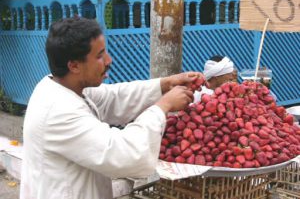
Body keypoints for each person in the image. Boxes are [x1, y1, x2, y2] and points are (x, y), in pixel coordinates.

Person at [20, 17, 204, 199]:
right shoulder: (57, 111)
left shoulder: (66, 87)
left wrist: (165, 84)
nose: (109, 60)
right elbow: (123, 154)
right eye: (99, 55)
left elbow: (113, 97)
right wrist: (164, 105)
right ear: (74, 65)